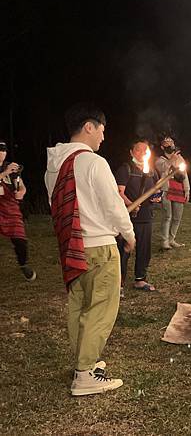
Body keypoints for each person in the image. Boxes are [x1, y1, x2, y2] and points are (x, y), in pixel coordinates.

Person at [45, 103, 135, 396]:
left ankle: (85, 362)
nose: (103, 137)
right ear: (89, 127)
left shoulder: (53, 166)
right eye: (102, 130)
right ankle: (84, 375)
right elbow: (114, 206)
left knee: (79, 307)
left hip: (73, 247)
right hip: (100, 248)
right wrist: (129, 234)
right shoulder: (94, 163)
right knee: (100, 310)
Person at [115, 139, 160, 293]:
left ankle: (140, 279)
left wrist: (157, 197)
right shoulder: (126, 169)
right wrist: (130, 204)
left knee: (144, 249)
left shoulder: (151, 171)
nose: (141, 153)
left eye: (144, 150)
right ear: (131, 152)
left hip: (146, 216)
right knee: (124, 249)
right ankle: (118, 284)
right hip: (127, 217)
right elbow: (119, 192)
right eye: (138, 150)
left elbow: (156, 190)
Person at [0, 140, 36, 281]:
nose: (1, 153)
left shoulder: (12, 168)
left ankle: (24, 264)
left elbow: (21, 186)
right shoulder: (7, 169)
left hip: (10, 207)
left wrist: (21, 192)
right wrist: (5, 172)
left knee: (20, 238)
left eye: (3, 150)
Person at [155, 136, 189, 250]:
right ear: (162, 147)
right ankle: (165, 241)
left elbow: (185, 175)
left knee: (177, 217)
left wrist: (187, 190)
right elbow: (162, 169)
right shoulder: (160, 160)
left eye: (171, 143)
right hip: (166, 190)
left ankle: (172, 239)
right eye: (167, 143)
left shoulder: (180, 158)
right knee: (167, 216)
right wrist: (171, 160)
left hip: (179, 190)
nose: (170, 145)